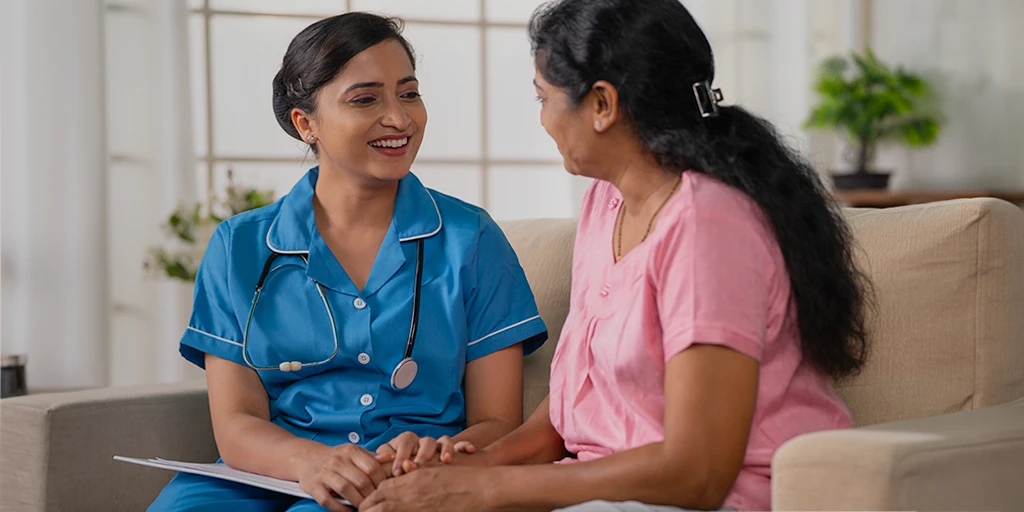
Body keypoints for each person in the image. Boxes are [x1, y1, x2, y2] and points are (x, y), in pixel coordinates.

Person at [360, 0, 869, 511]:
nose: (543, 121)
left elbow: (698, 474)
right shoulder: (606, 204)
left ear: (602, 104)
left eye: (545, 98)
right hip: (599, 491)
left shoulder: (709, 226)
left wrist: (489, 490)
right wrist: (463, 468)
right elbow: (568, 414)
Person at [148, 12, 547, 512]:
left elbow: (498, 422)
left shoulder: (471, 239)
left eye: (409, 93)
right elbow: (236, 423)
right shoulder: (239, 246)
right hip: (265, 475)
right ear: (305, 123)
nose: (400, 118)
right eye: (365, 99)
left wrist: (437, 455)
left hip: (403, 474)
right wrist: (310, 461)